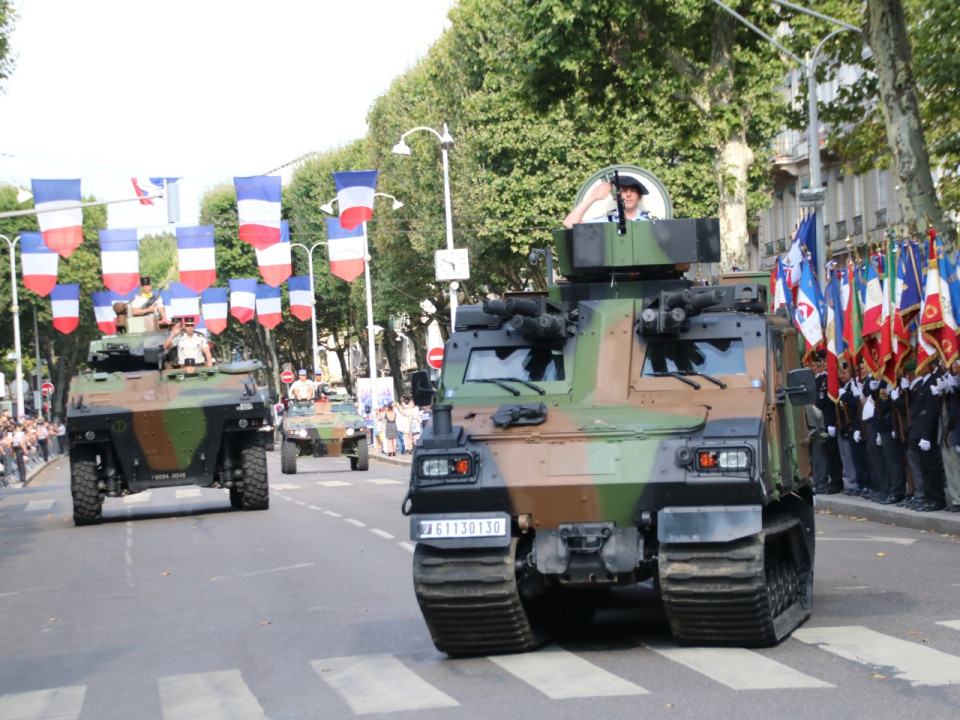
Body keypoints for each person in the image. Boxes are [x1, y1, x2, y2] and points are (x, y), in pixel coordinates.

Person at [562, 175, 652, 229]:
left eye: (633, 191)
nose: (628, 194)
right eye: (623, 191)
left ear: (639, 196)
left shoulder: (651, 221)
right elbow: (569, 223)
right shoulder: (607, 221)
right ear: (616, 196)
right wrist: (592, 197)